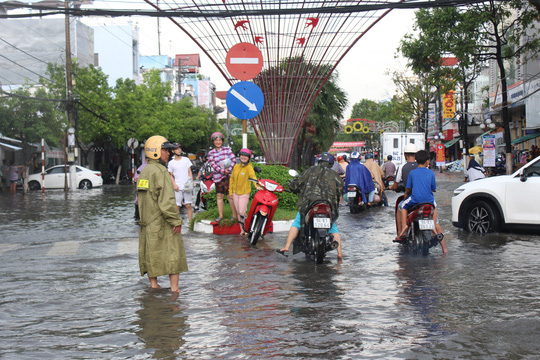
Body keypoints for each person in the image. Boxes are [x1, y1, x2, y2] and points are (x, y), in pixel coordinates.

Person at [137, 135, 188, 292]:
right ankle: (175, 289)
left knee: (151, 254)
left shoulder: (144, 171)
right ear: (155, 152)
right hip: (162, 222)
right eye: (165, 150)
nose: (169, 154)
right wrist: (176, 221)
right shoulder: (161, 172)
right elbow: (166, 202)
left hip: (148, 223)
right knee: (174, 253)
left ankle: (154, 286)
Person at [279, 152, 344, 259]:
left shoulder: (310, 171)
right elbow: (341, 189)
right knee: (332, 227)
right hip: (328, 205)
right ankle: (340, 253)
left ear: (319, 161)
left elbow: (298, 183)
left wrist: (291, 185)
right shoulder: (335, 175)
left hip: (309, 204)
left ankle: (286, 246)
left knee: (298, 222)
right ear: (331, 164)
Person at [397, 150, 447, 254]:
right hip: (429, 201)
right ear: (427, 161)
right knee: (435, 208)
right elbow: (433, 188)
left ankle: (404, 227)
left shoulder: (412, 173)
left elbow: (408, 189)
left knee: (403, 207)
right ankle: (445, 249)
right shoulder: (430, 172)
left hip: (415, 200)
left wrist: (406, 195)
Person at [207, 132, 238, 223]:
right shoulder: (211, 153)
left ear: (222, 141)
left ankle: (234, 215)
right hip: (218, 177)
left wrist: (229, 168)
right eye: (216, 140)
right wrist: (222, 171)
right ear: (213, 142)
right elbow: (213, 164)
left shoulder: (227, 150)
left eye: (220, 140)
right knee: (219, 196)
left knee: (230, 196)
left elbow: (234, 159)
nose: (218, 142)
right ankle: (220, 215)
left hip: (229, 176)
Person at [392, 144, 419, 237]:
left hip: (411, 198)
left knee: (400, 207)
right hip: (425, 199)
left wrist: (392, 187)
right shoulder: (423, 166)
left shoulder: (402, 167)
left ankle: (400, 233)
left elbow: (396, 185)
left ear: (405, 155)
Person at [229, 148, 257, 234]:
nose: (243, 157)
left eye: (246, 156)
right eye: (242, 155)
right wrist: (230, 191)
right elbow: (232, 179)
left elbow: (253, 177)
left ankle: (247, 228)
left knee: (242, 212)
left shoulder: (249, 167)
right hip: (235, 192)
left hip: (244, 193)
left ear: (249, 158)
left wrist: (257, 186)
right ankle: (242, 230)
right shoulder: (236, 166)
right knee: (238, 213)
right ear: (239, 156)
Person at [168, 143, 194, 223]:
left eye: (179, 148)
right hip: (177, 187)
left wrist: (191, 182)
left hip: (187, 186)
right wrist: (174, 184)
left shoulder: (186, 160)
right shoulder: (171, 163)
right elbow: (170, 175)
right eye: (176, 149)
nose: (179, 150)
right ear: (173, 151)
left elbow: (189, 171)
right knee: (177, 206)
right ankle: (176, 223)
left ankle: (190, 223)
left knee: (188, 205)